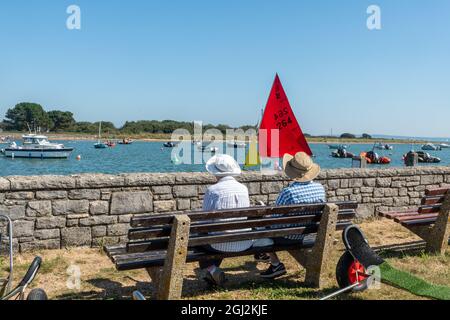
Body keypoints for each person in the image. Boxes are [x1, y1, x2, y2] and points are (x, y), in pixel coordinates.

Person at [259, 152, 326, 279]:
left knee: (261, 227)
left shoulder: (288, 192)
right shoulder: (320, 189)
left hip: (288, 236)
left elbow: (274, 218)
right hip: (308, 233)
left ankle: (275, 263)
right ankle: (264, 256)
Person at [200, 154, 254, 286]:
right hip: (243, 242)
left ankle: (212, 270)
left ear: (215, 172)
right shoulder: (243, 189)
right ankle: (212, 273)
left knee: (196, 239)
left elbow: (205, 221)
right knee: (218, 234)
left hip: (218, 244)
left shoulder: (212, 190)